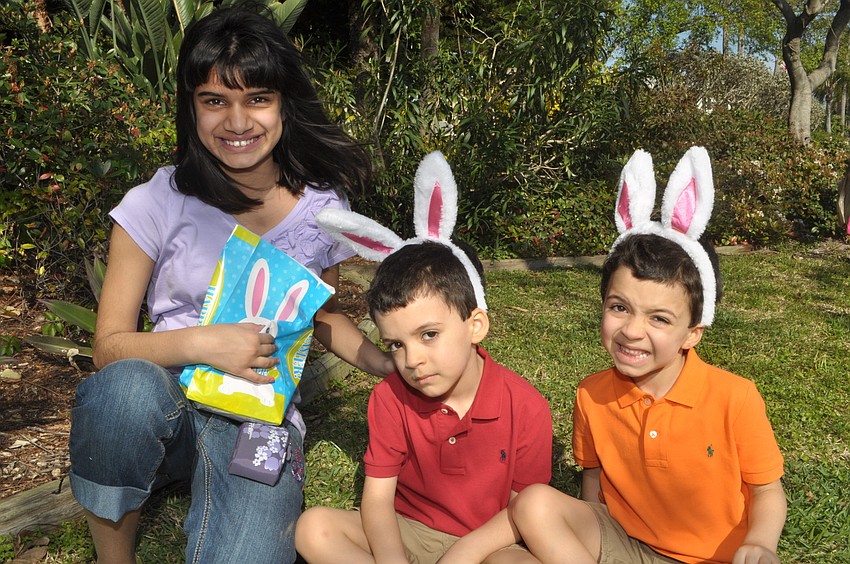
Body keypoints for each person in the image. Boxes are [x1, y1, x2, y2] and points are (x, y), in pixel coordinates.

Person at [67, 5, 393, 564]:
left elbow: (321, 316)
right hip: (161, 404)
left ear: (284, 103)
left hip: (258, 416)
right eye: (214, 101)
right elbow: (108, 348)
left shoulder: (322, 210)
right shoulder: (157, 201)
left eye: (257, 99)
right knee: (121, 391)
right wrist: (204, 342)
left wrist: (392, 366)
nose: (237, 122)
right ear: (190, 107)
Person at [508, 147, 787, 564]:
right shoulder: (592, 394)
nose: (632, 331)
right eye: (620, 307)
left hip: (712, 558)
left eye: (658, 318)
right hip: (625, 543)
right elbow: (593, 478)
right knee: (530, 507)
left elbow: (767, 490)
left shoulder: (736, 397)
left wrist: (761, 543)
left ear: (692, 334)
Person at [296, 152, 553, 564]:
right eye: (396, 344)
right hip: (408, 532)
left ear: (475, 326)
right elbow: (377, 501)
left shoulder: (526, 407)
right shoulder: (389, 398)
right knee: (314, 528)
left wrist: (463, 554)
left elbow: (521, 512)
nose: (412, 359)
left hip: (489, 544)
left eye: (429, 335)